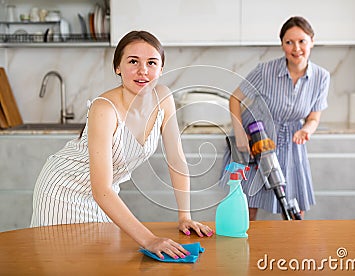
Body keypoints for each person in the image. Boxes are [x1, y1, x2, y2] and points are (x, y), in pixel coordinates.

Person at [31, 30, 214, 260]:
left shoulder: (164, 98)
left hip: (106, 197)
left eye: (151, 63)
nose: (143, 71)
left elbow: (176, 160)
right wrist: (149, 239)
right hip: (64, 191)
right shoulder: (104, 109)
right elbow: (101, 189)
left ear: (161, 69)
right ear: (118, 67)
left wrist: (184, 216)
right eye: (133, 61)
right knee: (67, 264)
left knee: (104, 263)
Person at [223, 16, 330, 220]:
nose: (296, 48)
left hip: (291, 142)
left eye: (301, 41)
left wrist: (307, 129)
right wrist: (239, 134)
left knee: (293, 206)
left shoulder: (321, 77)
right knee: (248, 203)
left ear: (312, 41)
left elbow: (314, 117)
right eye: (289, 42)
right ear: (282, 45)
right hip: (257, 138)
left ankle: (294, 250)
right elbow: (235, 98)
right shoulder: (265, 71)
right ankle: (245, 249)